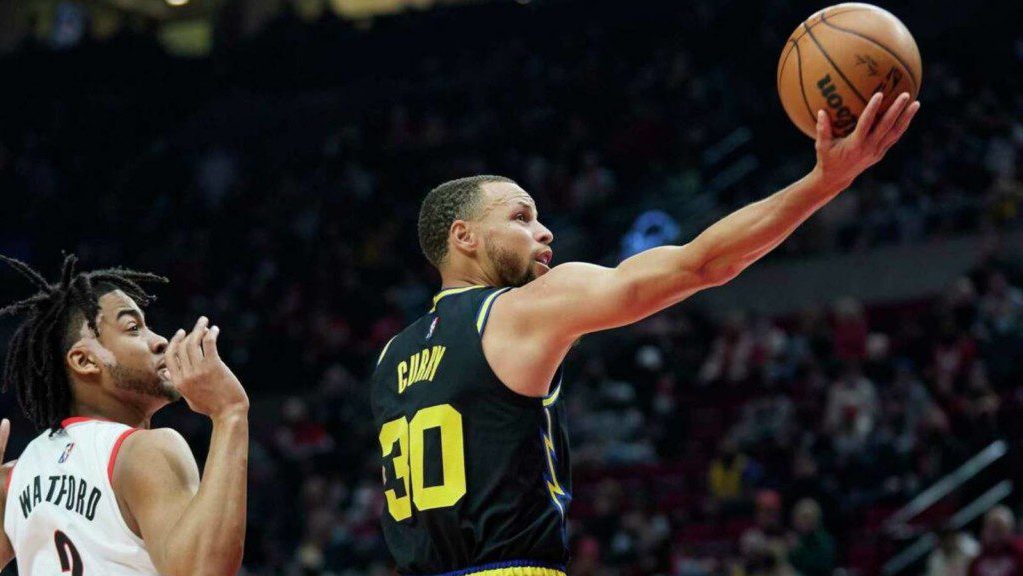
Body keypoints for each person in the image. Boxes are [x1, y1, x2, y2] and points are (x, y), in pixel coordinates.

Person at [371, 93, 920, 575]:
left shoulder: (391, 358)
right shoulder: (519, 311)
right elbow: (699, 266)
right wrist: (826, 181)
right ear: (464, 236)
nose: (544, 230)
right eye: (520, 217)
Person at [0, 254, 249, 575]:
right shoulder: (143, 451)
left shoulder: (13, 479)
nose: (159, 341)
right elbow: (201, 570)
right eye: (133, 328)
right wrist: (230, 414)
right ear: (85, 361)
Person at [968, 506, 1023, 576]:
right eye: (992, 529)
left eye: (1000, 530)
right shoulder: (977, 562)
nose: (996, 535)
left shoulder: (1019, 553)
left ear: (1009, 530)